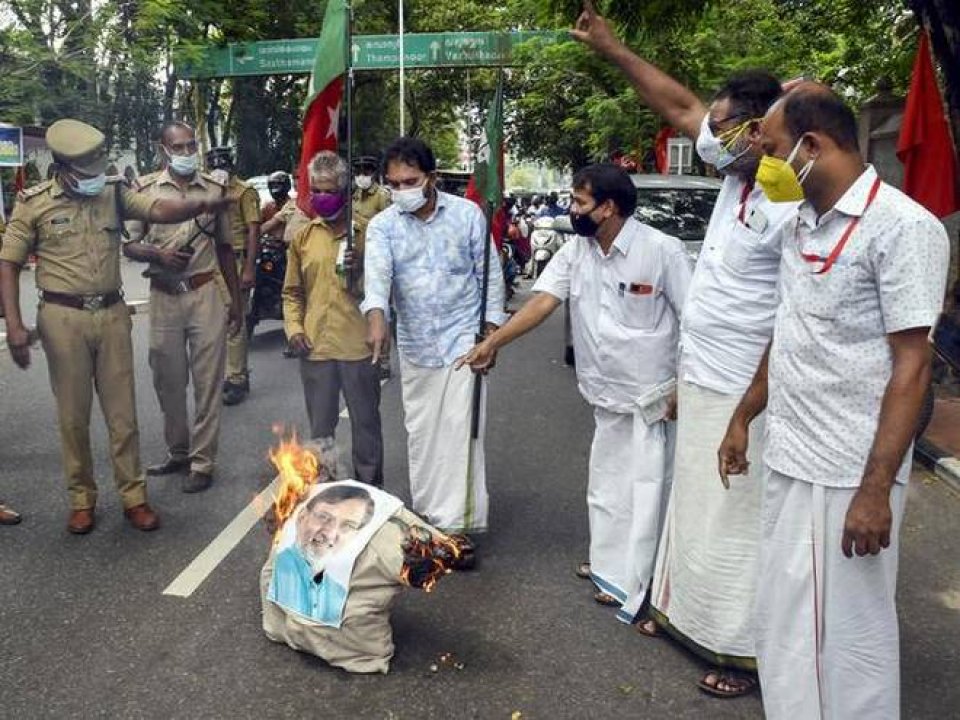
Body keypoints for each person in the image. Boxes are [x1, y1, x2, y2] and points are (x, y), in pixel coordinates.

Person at [572, 0, 796, 696]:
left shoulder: (789, 199)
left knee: (736, 521)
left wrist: (749, 408)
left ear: (764, 132)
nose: (712, 136)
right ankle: (682, 617)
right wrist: (612, 48)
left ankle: (741, 654)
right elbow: (678, 104)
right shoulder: (735, 174)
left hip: (747, 386)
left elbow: (793, 314)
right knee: (696, 508)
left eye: (727, 129)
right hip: (702, 374)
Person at [717, 84, 949, 719]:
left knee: (851, 638)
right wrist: (743, 416)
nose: (761, 163)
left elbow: (913, 364)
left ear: (811, 147)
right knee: (786, 628)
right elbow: (789, 327)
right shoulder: (799, 223)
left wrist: (875, 489)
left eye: (769, 149)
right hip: (792, 455)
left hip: (851, 472)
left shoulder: (905, 228)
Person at [459, 163, 691, 619]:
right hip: (605, 394)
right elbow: (542, 302)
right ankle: (610, 566)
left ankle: (641, 582)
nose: (572, 209)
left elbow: (692, 322)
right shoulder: (576, 252)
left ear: (608, 208)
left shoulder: (662, 251)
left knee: (645, 489)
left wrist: (683, 386)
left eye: (580, 202)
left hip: (651, 399)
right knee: (606, 486)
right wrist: (493, 342)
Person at [0, 119, 231, 533]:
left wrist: (201, 205)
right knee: (73, 416)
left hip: (111, 314)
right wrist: (15, 324)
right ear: (63, 167)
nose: (94, 178)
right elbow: (9, 263)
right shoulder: (33, 203)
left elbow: (158, 209)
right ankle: (81, 499)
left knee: (122, 415)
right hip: (61, 317)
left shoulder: (112, 192)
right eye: (85, 171)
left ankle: (133, 497)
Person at [361, 137, 506, 539]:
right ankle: (427, 517)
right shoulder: (382, 226)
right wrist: (377, 319)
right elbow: (377, 281)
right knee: (423, 435)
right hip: (416, 344)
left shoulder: (468, 216)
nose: (401, 191)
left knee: (460, 431)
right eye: (394, 184)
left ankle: (457, 529)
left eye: (410, 181)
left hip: (463, 339)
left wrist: (490, 335)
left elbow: (490, 276)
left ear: (432, 178)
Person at [123, 121, 242, 494]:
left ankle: (203, 462)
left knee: (208, 383)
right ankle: (178, 452)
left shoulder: (214, 189)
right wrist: (159, 254)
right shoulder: (143, 190)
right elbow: (129, 245)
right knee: (167, 381)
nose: (187, 152)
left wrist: (236, 302)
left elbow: (224, 249)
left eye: (192, 145)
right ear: (163, 150)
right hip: (163, 296)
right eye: (179, 146)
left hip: (204, 292)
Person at [283, 151, 384, 487]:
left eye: (328, 190)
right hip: (315, 347)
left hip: (359, 346)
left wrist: (358, 273)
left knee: (366, 424)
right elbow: (292, 293)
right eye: (316, 190)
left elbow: (381, 294)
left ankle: (371, 491)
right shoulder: (303, 237)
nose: (321, 197)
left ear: (343, 191)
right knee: (321, 431)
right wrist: (294, 328)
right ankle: (324, 492)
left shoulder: (369, 235)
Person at [268, 484, 374, 622]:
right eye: (323, 517)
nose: (330, 534)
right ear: (302, 517)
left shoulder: (339, 591)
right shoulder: (278, 571)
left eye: (348, 525)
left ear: (356, 535)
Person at [206, 146, 261, 406]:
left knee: (235, 319)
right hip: (210, 261)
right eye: (213, 166)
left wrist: (249, 268)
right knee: (215, 322)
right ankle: (226, 373)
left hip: (237, 259)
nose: (219, 171)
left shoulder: (244, 192)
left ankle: (237, 378)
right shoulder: (205, 191)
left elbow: (253, 230)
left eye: (223, 166)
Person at [352, 155, 391, 224]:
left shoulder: (382, 195)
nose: (361, 177)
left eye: (366, 173)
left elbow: (386, 225)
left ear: (374, 174)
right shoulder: (356, 193)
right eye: (358, 173)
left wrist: (358, 220)